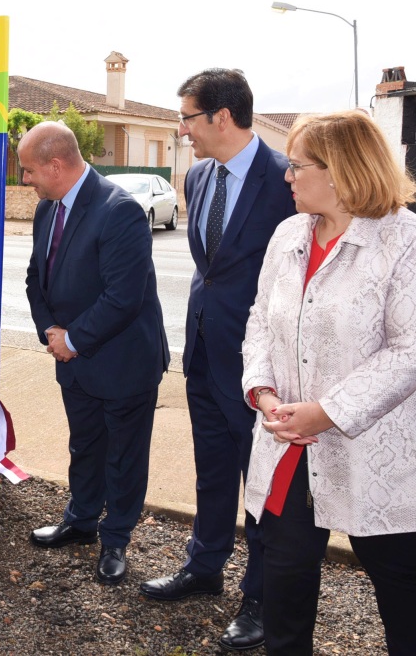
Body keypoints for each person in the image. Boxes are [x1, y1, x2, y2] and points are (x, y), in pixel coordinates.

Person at [243, 110, 416, 655]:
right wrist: (264, 394)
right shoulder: (289, 233)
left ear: (339, 170)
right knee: (285, 567)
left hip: (377, 444)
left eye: (297, 166)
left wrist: (327, 411)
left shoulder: (408, 239)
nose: (287, 176)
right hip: (289, 437)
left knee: (396, 569)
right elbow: (261, 320)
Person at [138, 68, 296, 651]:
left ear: (221, 117)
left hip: (260, 367)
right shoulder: (199, 175)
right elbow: (211, 268)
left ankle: (261, 597)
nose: (181, 130)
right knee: (212, 468)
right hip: (203, 350)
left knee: (262, 482)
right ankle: (204, 567)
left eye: (186, 118)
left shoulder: (287, 179)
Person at [21, 121, 169, 586]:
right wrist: (50, 330)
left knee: (124, 456)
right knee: (84, 445)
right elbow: (36, 279)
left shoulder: (119, 210)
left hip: (122, 360)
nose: (25, 180)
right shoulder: (47, 209)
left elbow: (124, 297)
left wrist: (72, 340)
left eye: (29, 171)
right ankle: (81, 520)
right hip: (74, 359)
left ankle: (116, 539)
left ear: (55, 165)